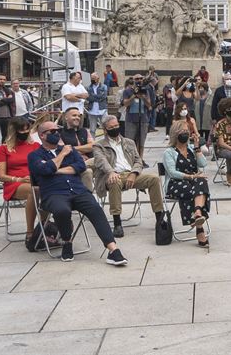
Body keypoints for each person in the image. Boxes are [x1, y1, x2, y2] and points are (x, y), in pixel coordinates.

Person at [28, 121, 128, 265]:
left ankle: (113, 250)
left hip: (77, 190)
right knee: (62, 210)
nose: (57, 133)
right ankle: (67, 242)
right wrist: (62, 155)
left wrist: (55, 169)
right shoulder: (35, 155)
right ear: (42, 135)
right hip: (53, 194)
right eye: (52, 132)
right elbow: (43, 171)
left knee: (95, 209)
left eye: (58, 130)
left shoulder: (71, 150)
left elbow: (80, 166)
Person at [92, 116, 165, 238]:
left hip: (131, 174)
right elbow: (101, 161)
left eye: (116, 126)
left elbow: (138, 161)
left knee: (154, 179)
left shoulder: (129, 142)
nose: (115, 128)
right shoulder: (99, 146)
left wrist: (134, 173)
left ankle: (159, 218)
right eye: (111, 127)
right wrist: (111, 172)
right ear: (105, 130)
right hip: (112, 175)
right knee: (114, 181)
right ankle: (117, 223)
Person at [0, 117, 41, 249]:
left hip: (34, 181)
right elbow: (1, 175)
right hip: (14, 183)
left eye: (27, 129)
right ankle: (30, 231)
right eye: (22, 130)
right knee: (34, 191)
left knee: (41, 189)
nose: (25, 132)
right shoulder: (4, 149)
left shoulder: (35, 146)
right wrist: (18, 179)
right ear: (14, 131)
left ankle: (43, 225)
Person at [162, 123, 210, 246]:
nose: (185, 133)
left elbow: (203, 164)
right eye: (182, 131)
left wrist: (197, 148)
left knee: (201, 182)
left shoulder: (191, 148)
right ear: (175, 134)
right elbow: (172, 173)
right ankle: (199, 227)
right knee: (197, 189)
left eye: (186, 130)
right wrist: (191, 176)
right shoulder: (169, 152)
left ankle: (197, 213)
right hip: (176, 183)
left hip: (193, 182)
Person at [59, 107, 95, 191]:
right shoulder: (59, 133)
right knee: (88, 172)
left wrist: (73, 148)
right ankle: (88, 201)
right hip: (71, 163)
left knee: (99, 158)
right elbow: (64, 151)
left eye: (79, 116)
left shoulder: (85, 131)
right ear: (66, 117)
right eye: (74, 115)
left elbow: (93, 146)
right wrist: (84, 148)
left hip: (89, 162)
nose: (77, 118)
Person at [122, 74, 152, 158]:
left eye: (141, 78)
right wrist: (134, 95)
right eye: (137, 79)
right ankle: (130, 159)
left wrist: (142, 96)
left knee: (141, 141)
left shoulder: (145, 91)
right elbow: (125, 104)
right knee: (129, 141)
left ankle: (140, 159)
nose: (139, 80)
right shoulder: (127, 91)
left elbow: (149, 104)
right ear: (133, 80)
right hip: (131, 119)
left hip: (143, 119)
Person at [85, 73, 108, 137]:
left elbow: (103, 97)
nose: (92, 80)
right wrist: (97, 97)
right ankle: (92, 144)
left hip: (102, 109)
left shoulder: (104, 86)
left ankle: (106, 142)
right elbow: (88, 98)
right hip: (92, 110)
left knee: (106, 128)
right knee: (92, 129)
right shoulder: (88, 88)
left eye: (93, 78)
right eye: (91, 78)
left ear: (98, 79)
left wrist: (93, 96)